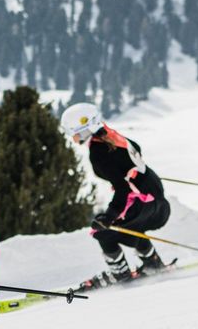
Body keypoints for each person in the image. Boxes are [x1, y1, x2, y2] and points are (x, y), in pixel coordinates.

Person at [59, 102, 171, 288]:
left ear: (86, 127)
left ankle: (120, 274)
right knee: (130, 228)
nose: (73, 138)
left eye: (75, 132)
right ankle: (152, 264)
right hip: (155, 197)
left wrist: (109, 216)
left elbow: (123, 189)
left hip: (142, 203)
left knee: (102, 232)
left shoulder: (99, 152)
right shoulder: (112, 136)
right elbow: (136, 153)